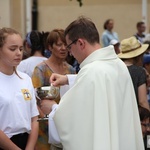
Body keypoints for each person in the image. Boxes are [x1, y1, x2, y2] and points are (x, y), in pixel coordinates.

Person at [40, 16, 144, 150]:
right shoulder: (118, 64)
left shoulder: (91, 72)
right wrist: (68, 79)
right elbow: (100, 85)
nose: (70, 53)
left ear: (81, 43)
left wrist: (53, 109)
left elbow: (72, 121)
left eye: (70, 47)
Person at [32, 28, 76, 150]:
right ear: (50, 47)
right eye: (59, 44)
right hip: (45, 128)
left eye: (66, 45)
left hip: (66, 126)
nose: (63, 48)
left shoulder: (71, 70)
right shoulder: (40, 70)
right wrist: (49, 122)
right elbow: (34, 102)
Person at [0, 27, 39, 150]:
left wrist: (30, 147)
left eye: (21, 49)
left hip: (26, 142)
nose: (18, 53)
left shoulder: (25, 79)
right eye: (12, 49)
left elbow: (34, 118)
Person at [118, 36, 149, 110]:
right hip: (135, 114)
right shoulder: (139, 71)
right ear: (138, 56)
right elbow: (142, 101)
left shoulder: (115, 69)